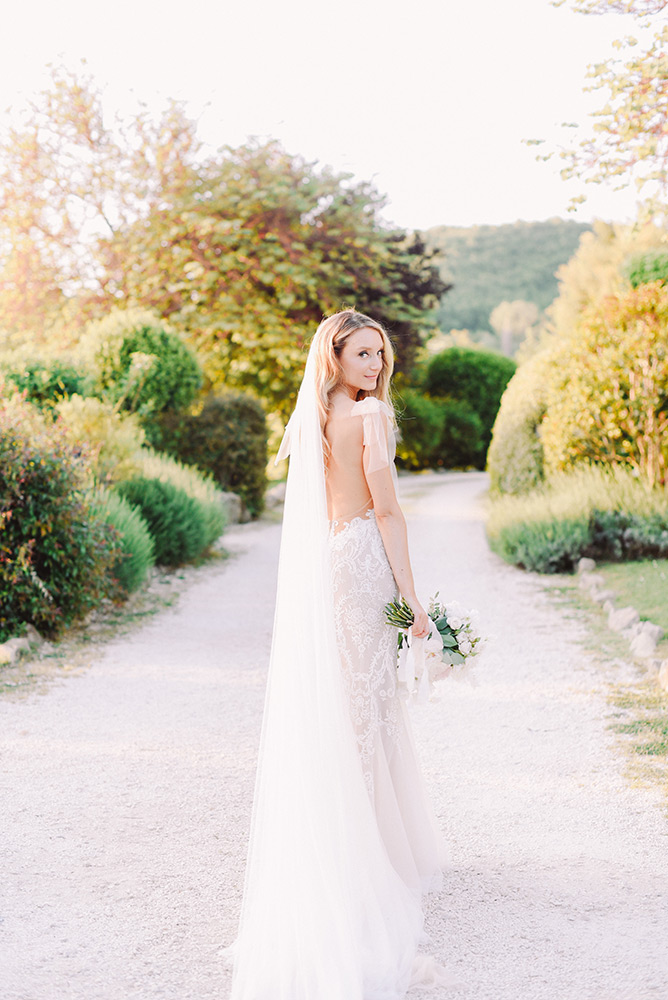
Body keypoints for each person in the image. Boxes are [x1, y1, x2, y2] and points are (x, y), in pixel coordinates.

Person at [227, 310, 451, 999]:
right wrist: (413, 598)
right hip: (362, 567)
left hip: (327, 567)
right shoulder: (372, 416)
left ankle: (335, 849)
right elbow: (386, 511)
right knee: (366, 715)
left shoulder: (313, 415)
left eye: (379, 355)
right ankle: (361, 865)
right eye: (362, 354)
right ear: (334, 356)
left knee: (339, 709)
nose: (376, 367)